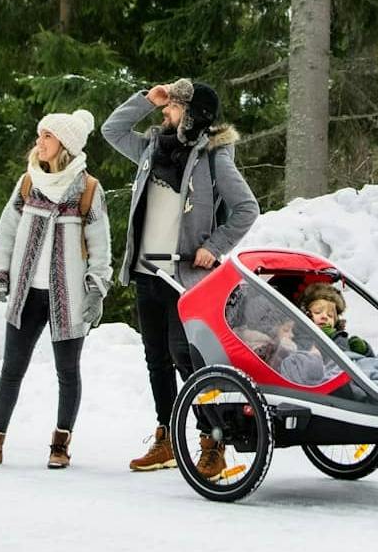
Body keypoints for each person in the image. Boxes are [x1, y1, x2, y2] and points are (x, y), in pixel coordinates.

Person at [102, 78, 260, 475]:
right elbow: (112, 130)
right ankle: (167, 437)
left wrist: (215, 246)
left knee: (185, 356)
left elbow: (246, 208)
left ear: (194, 115)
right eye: (166, 106)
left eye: (173, 107)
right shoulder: (152, 148)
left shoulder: (213, 157)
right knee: (156, 358)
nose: (165, 112)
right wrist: (146, 100)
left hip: (183, 275)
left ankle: (214, 440)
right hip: (146, 271)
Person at [0, 109, 111, 471]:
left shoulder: (88, 189)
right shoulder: (27, 183)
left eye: (47, 136)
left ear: (65, 144)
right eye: (39, 135)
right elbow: (6, 232)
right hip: (27, 294)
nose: (39, 142)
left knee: (67, 372)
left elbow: (101, 247)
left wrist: (96, 290)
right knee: (11, 369)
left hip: (68, 297)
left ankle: (60, 444)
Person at [298, 283, 371, 357]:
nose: (324, 317)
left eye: (330, 315)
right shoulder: (298, 337)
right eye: (318, 312)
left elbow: (369, 362)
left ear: (335, 322)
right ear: (305, 314)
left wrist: (364, 351)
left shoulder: (340, 337)